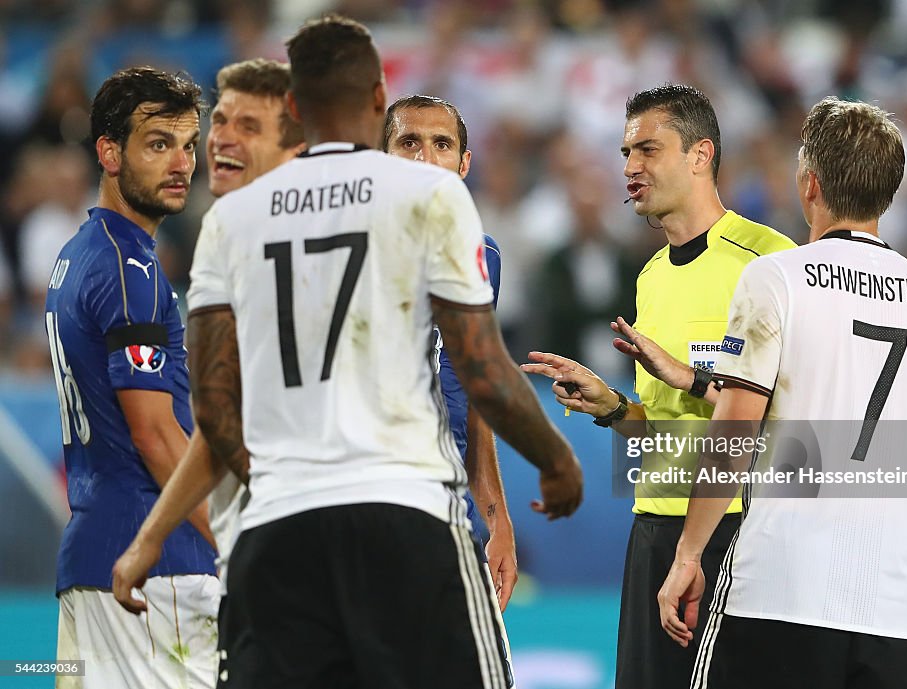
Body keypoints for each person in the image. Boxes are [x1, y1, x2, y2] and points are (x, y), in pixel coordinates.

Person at [130, 15, 581, 689]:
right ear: (377, 100)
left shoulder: (231, 219)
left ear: (293, 107)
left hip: (277, 525)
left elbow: (216, 410)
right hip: (404, 512)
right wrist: (555, 457)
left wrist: (278, 488)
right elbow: (484, 367)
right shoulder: (431, 199)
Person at [655, 97, 907, 688]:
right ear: (888, 193)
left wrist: (688, 555)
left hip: (775, 595)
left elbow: (735, 428)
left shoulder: (774, 279)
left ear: (810, 184)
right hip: (892, 616)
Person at [521, 84, 794, 689]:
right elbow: (661, 425)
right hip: (655, 528)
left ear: (700, 155)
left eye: (648, 149)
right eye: (625, 152)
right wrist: (615, 407)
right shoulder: (648, 276)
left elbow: (798, 421)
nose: (630, 167)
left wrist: (691, 377)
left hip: (739, 533)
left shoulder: (770, 261)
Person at [111, 57, 305, 684]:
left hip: (301, 550)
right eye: (218, 121)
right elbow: (223, 421)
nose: (219, 139)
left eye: (248, 125)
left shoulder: (275, 245)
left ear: (294, 146)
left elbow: (223, 419)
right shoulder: (229, 238)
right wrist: (151, 537)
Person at [45, 67, 218, 689]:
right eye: (158, 143)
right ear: (109, 152)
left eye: (189, 144)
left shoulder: (75, 258)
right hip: (156, 576)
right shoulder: (131, 268)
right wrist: (233, 538)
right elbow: (155, 435)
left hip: (93, 563)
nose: (181, 162)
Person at [382, 94, 517, 608]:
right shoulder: (340, 251)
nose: (424, 158)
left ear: (463, 164)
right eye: (408, 142)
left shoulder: (484, 257)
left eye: (441, 144)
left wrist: (494, 514)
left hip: (452, 513)